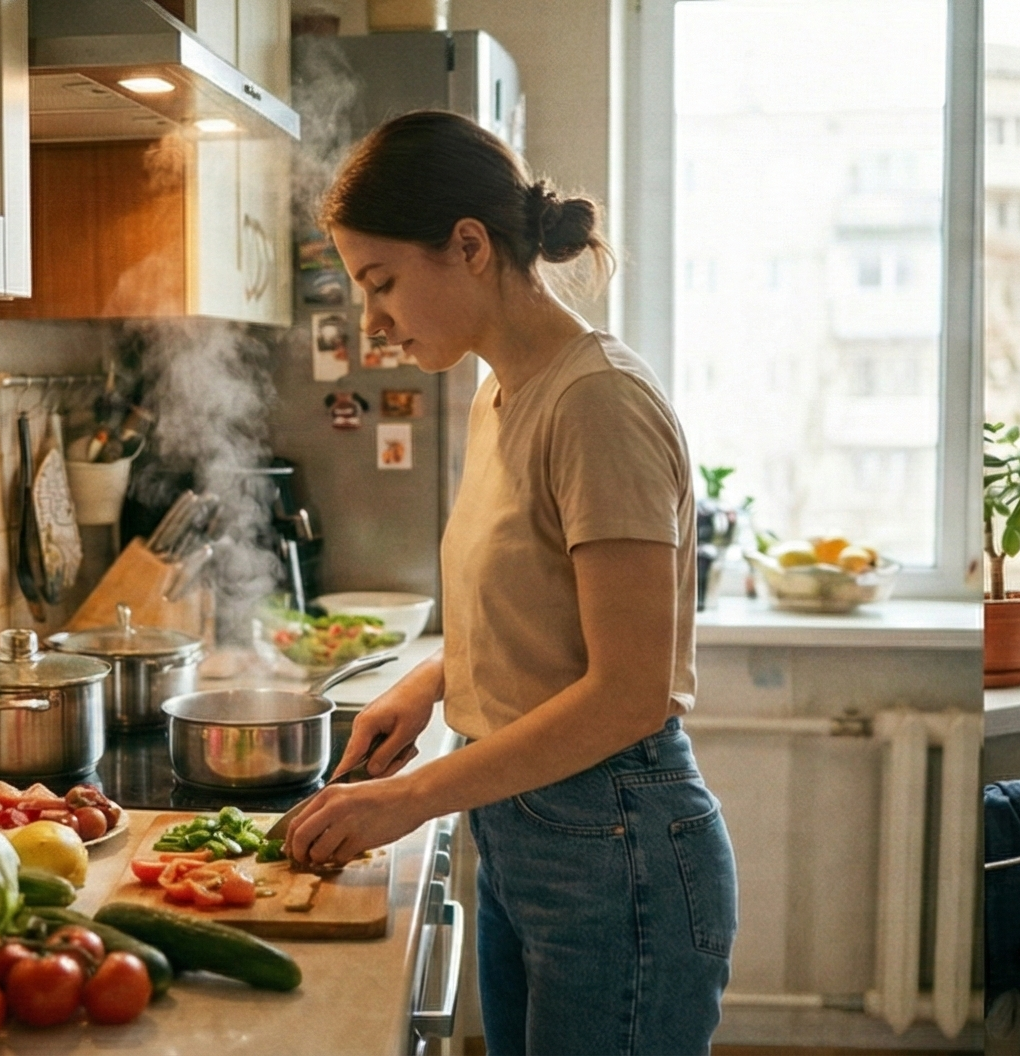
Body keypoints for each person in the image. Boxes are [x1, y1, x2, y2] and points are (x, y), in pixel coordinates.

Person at [275, 110, 734, 1055]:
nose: (372, 322)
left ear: (470, 247)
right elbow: (532, 601)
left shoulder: (597, 402)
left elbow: (629, 694)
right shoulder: (499, 391)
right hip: (526, 834)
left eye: (382, 282)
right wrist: (428, 679)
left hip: (617, 846)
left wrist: (408, 799)